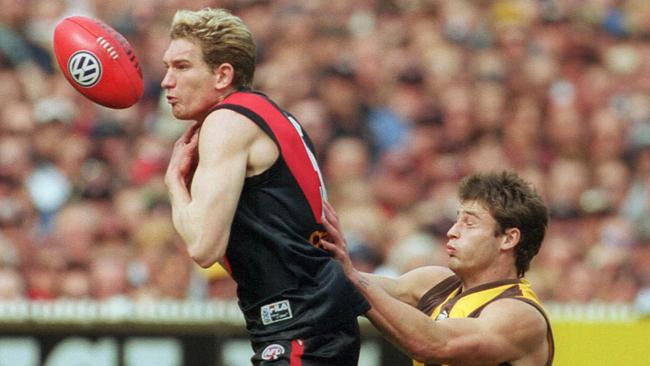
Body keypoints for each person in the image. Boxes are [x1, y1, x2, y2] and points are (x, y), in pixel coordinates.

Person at [161, 8, 369, 366]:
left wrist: (174, 183)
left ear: (223, 74)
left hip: (303, 325)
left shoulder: (227, 122)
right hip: (310, 320)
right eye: (167, 67)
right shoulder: (264, 114)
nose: (166, 80)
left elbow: (203, 247)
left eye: (181, 67)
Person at [322, 171, 555, 366]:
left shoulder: (520, 315)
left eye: (469, 223)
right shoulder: (435, 282)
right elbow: (346, 280)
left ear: (508, 239)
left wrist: (349, 276)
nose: (452, 231)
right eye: (457, 219)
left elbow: (436, 344)